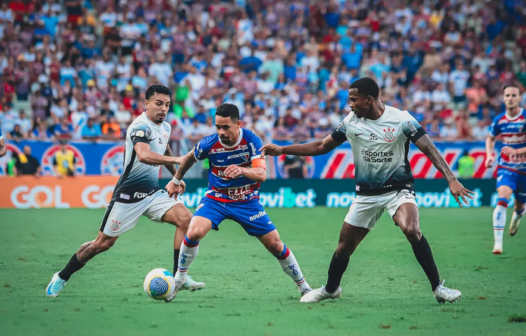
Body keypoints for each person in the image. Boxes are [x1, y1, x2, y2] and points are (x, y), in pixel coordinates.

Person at [261, 78, 473, 304]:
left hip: (398, 191)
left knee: (412, 229)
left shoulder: (402, 120)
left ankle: (438, 288)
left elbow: (428, 148)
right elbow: (322, 146)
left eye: (353, 100)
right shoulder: (351, 122)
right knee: (344, 248)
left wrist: (451, 178)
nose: (349, 105)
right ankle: (331, 289)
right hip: (366, 195)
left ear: (369, 100)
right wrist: (282, 149)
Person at [45, 85, 205, 298]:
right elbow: (144, 154)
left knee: (186, 219)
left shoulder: (165, 127)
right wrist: (179, 159)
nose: (163, 109)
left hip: (152, 193)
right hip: (127, 197)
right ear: (146, 103)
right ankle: (62, 276)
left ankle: (179, 278)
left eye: (167, 105)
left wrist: (176, 176)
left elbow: (163, 147)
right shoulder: (139, 126)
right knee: (102, 244)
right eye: (158, 104)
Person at [164, 103, 311, 302]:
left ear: (238, 124)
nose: (221, 132)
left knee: (276, 245)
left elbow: (261, 174)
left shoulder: (251, 140)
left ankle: (304, 287)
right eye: (218, 127)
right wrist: (175, 179)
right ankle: (179, 279)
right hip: (217, 198)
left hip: (246, 201)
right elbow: (190, 157)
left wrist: (242, 170)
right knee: (193, 231)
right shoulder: (209, 143)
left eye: (226, 127)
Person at [485, 84, 526, 254]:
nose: (510, 98)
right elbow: (490, 138)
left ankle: (518, 214)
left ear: (519, 98)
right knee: (502, 198)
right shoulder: (499, 120)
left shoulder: (524, 118)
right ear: (503, 98)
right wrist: (489, 155)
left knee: (519, 204)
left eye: (513, 95)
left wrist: (516, 151)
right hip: (507, 167)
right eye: (507, 95)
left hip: (524, 171)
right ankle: (498, 244)